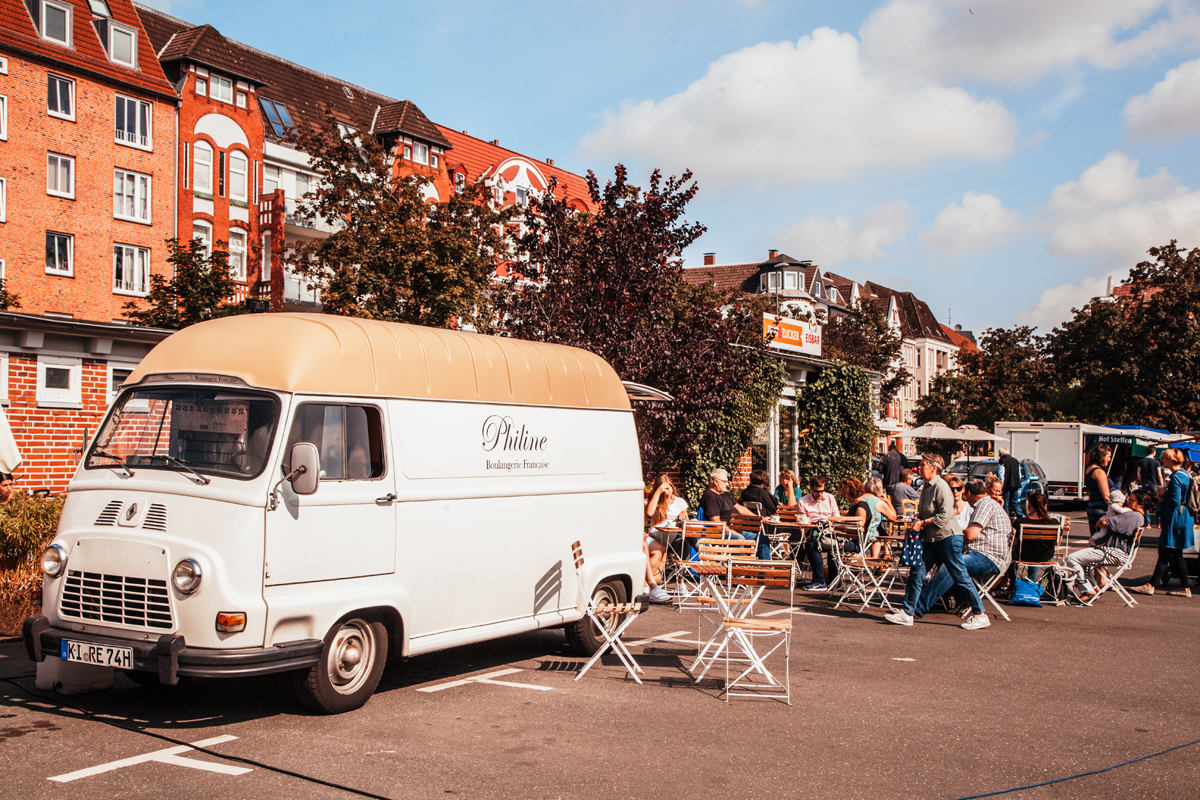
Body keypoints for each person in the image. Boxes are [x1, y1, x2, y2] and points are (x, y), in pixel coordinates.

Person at [886, 454, 988, 630]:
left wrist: (923, 522)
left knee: (958, 574)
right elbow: (927, 511)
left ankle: (980, 614)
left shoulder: (941, 486)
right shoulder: (926, 486)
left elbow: (946, 515)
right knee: (917, 571)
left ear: (933, 468)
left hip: (948, 536)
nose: (919, 467)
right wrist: (919, 517)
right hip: (932, 537)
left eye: (923, 464)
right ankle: (908, 612)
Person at [913, 478, 1011, 622]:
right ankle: (961, 599)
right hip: (987, 555)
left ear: (968, 493)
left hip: (989, 557)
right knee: (948, 561)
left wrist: (950, 536)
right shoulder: (989, 503)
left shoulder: (984, 505)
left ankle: (918, 607)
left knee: (950, 566)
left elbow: (970, 535)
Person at [1063, 488, 1150, 601]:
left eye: (1131, 500)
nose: (1128, 502)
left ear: (1141, 503)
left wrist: (1099, 523)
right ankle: (1092, 588)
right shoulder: (1138, 517)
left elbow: (1104, 522)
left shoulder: (1133, 516)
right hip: (1115, 552)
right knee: (1082, 561)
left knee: (1071, 558)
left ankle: (1088, 590)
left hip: (1113, 552)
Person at [1131, 448, 1194, 598]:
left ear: (1171, 460)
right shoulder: (1186, 474)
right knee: (1174, 552)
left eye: (1164, 458)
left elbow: (1174, 500)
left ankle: (1152, 585)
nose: (1162, 461)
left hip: (1175, 517)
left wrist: (1162, 492)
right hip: (1184, 516)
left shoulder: (1176, 477)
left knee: (1167, 550)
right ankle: (1183, 587)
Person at [643, 475, 687, 604]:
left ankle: (680, 583)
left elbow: (686, 522)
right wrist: (658, 493)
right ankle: (646, 584)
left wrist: (684, 517)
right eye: (664, 490)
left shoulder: (680, 502)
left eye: (669, 488)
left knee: (684, 544)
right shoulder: (655, 500)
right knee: (660, 548)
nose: (667, 492)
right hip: (657, 534)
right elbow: (650, 513)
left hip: (673, 536)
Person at [798, 476, 840, 591]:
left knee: (834, 545)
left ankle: (834, 579)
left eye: (822, 491)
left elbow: (837, 517)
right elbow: (802, 521)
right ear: (811, 488)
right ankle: (819, 580)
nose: (820, 494)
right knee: (811, 545)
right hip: (813, 531)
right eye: (817, 491)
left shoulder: (830, 498)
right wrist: (803, 538)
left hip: (829, 530)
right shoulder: (803, 501)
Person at [1010, 491, 1059, 582]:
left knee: (1009, 554)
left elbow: (1014, 542)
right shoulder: (1054, 523)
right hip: (1046, 556)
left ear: (1030, 506)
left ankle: (1013, 582)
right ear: (1045, 506)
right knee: (1037, 550)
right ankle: (1031, 580)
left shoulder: (1020, 522)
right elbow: (1057, 542)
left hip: (1023, 555)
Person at [848, 476, 896, 559]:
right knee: (878, 536)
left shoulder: (858, 499)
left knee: (879, 531)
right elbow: (893, 517)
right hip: (869, 534)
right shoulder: (879, 502)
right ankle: (876, 559)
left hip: (856, 533)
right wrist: (887, 501)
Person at [1084, 443, 1114, 536]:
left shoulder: (1089, 469)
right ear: (1102, 456)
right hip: (1101, 509)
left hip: (1092, 506)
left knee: (1095, 536)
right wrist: (1116, 508)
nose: (1109, 459)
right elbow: (1106, 496)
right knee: (1104, 538)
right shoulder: (1099, 472)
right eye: (1108, 456)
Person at [998, 448, 1022, 516]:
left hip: (1007, 485)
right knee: (1015, 502)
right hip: (1016, 484)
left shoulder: (1002, 461)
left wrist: (1002, 484)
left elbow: (1001, 474)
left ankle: (1006, 518)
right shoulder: (1015, 461)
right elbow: (1019, 474)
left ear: (1001, 454)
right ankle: (1021, 515)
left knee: (1006, 503)